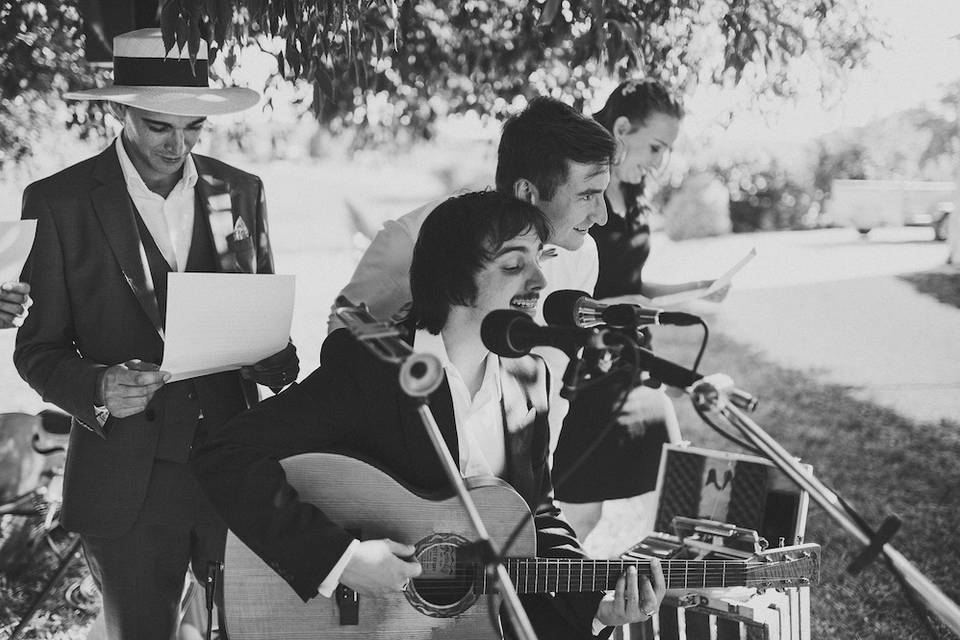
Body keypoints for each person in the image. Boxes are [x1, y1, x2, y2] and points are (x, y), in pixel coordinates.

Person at [193, 191, 665, 639]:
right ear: (455, 276)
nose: (540, 282)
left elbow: (533, 519)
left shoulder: (530, 379)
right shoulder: (373, 369)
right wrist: (342, 559)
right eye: (515, 263)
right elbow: (226, 454)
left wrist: (594, 607)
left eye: (541, 259)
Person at [14, 28, 299, 640]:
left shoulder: (242, 193)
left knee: (252, 630)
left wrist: (271, 359)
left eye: (193, 127)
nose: (178, 144)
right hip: (125, 483)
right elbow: (35, 349)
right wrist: (97, 386)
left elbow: (270, 338)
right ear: (121, 111)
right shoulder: (59, 202)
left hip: (236, 469)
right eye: (159, 127)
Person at [553, 79, 705, 538]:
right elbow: (563, 297)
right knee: (580, 511)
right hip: (587, 367)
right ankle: (548, 596)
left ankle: (675, 581)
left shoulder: (636, 197)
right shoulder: (581, 201)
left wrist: (695, 287)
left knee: (679, 482)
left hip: (633, 363)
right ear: (621, 129)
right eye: (656, 147)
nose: (660, 162)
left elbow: (631, 287)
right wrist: (623, 306)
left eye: (667, 151)